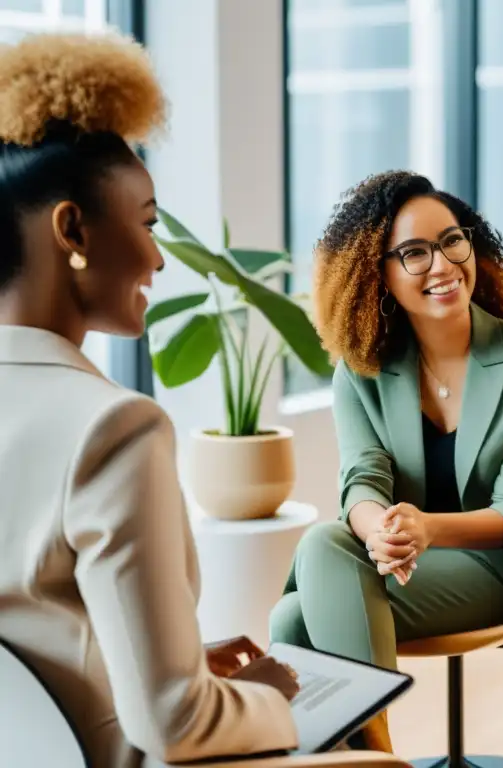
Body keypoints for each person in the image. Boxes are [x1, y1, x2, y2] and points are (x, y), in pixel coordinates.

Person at [0, 32, 378, 768]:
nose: (158, 257)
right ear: (73, 229)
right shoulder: (111, 428)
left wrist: (180, 662)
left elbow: (38, 637)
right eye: (145, 223)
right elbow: (172, 726)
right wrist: (264, 695)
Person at [270, 170, 503, 750]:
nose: (442, 265)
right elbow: (361, 481)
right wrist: (385, 535)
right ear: (380, 274)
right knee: (296, 614)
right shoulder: (363, 370)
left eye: (451, 241)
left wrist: (424, 529)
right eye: (414, 253)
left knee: (314, 573)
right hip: (406, 561)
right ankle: (368, 757)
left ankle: (372, 760)